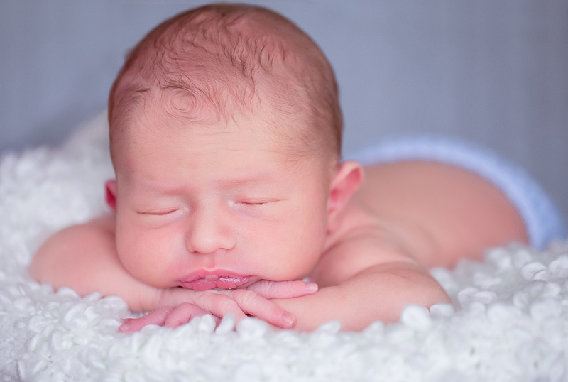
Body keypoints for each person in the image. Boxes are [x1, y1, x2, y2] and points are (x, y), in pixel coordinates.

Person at [29, 3, 566, 332]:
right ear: (119, 203)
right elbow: (60, 256)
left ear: (332, 202)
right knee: (288, 161)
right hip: (320, 174)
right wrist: (160, 297)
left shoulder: (349, 237)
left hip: (484, 189)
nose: (206, 237)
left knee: (300, 163)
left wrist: (255, 316)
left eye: (252, 204)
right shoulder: (207, 185)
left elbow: (415, 296)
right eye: (161, 208)